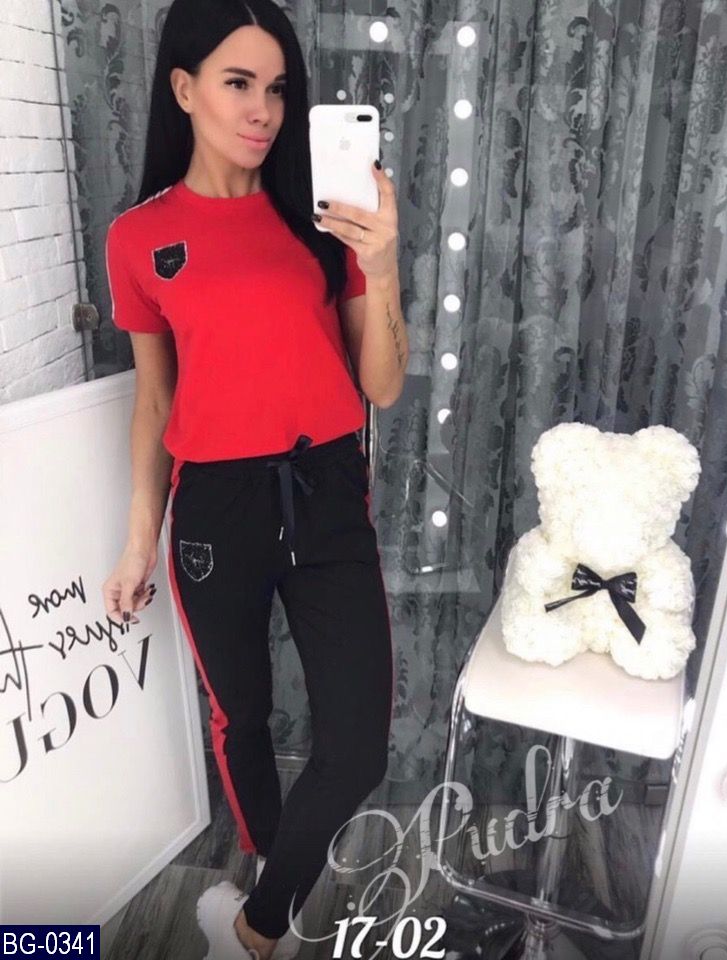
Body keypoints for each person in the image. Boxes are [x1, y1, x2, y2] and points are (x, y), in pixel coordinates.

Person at [101, 0, 407, 957]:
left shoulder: (325, 217)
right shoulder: (139, 237)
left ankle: (254, 926)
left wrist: (384, 266)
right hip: (214, 508)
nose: (263, 109)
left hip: (326, 490)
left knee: (355, 747)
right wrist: (137, 541)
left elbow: (383, 385)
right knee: (242, 720)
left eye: (277, 87)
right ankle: (276, 885)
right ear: (184, 88)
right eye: (238, 83)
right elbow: (155, 400)